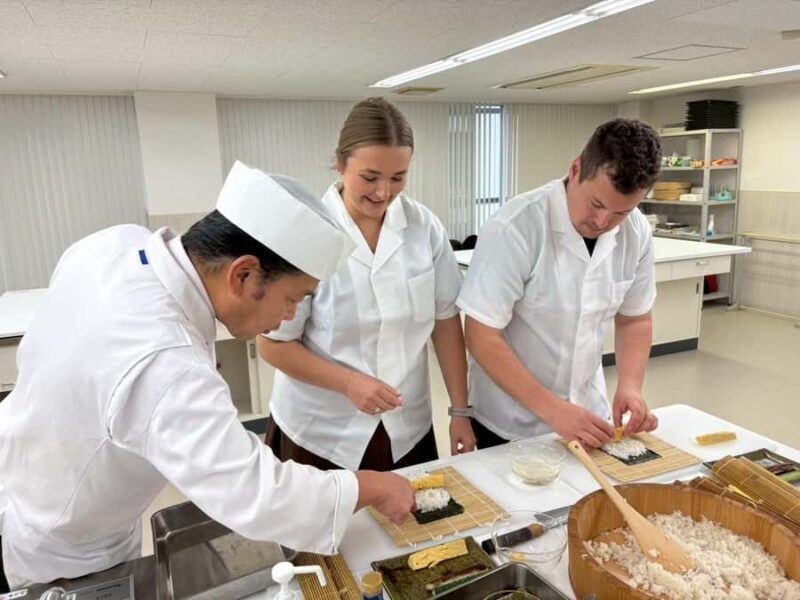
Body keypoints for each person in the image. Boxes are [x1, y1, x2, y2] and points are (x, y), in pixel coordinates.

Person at [0, 162, 414, 590]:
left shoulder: (116, 244)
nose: (288, 316)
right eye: (292, 299)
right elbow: (260, 496)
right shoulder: (165, 361)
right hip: (62, 545)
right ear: (244, 274)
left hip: (30, 473)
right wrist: (370, 486)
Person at [258, 97, 476, 472]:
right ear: (341, 164)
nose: (383, 193)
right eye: (370, 177)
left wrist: (459, 409)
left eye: (398, 178)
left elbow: (445, 323)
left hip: (406, 428)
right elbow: (273, 344)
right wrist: (347, 382)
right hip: (320, 431)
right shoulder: (308, 232)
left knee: (413, 527)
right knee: (325, 528)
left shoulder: (424, 229)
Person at [457, 118, 662, 449]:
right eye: (596, 204)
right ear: (577, 169)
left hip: (586, 413)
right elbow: (481, 337)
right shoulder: (516, 227)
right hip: (510, 421)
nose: (602, 222)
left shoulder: (635, 232)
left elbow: (635, 318)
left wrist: (630, 387)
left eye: (620, 213)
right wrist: (553, 410)